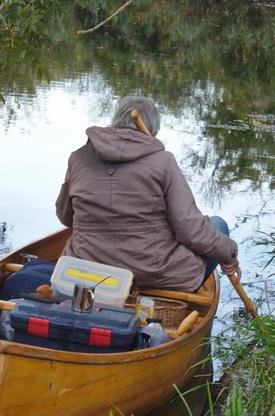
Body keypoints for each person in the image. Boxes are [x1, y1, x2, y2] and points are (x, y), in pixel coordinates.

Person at [55, 95, 241, 292]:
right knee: (218, 226)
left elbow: (66, 217)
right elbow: (191, 230)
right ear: (154, 133)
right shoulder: (164, 161)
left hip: (87, 270)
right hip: (152, 275)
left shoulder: (78, 157)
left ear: (114, 123)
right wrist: (230, 253)